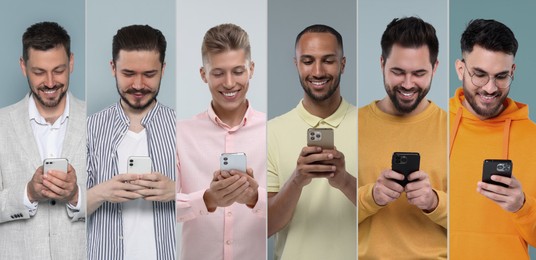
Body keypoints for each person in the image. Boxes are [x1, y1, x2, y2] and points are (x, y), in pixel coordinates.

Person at [358, 17, 447, 259]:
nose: (408, 84)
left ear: (435, 67)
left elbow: (474, 220)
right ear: (382, 64)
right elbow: (330, 217)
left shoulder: (453, 129)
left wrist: (433, 202)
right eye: (398, 72)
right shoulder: (350, 125)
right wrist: (371, 196)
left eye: (419, 73)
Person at [176, 23, 266, 260]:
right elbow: (161, 207)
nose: (229, 83)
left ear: (251, 70)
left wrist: (256, 198)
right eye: (218, 73)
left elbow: (290, 210)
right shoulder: (180, 134)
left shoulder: (274, 131)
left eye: (238, 71)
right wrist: (208, 199)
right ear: (203, 74)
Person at [267, 24, 357, 260]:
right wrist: (297, 180)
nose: (318, 71)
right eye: (307, 61)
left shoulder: (371, 126)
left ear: (343, 64)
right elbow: (265, 227)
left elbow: (386, 216)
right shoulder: (271, 132)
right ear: (296, 64)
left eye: (328, 60)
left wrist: (345, 182)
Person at [86, 24, 176, 260]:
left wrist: (176, 191)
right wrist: (102, 193)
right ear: (113, 68)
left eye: (149, 74)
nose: (138, 85)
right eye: (128, 74)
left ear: (163, 69)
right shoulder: (90, 129)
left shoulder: (183, 128)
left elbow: (209, 201)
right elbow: (68, 210)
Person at [450, 19, 536, 259]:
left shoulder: (533, 139)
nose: (490, 88)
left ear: (513, 72)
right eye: (479, 74)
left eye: (501, 76)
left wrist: (523, 207)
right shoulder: (431, 124)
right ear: (460, 69)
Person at [0, 21, 86, 259]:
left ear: (71, 62)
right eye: (39, 72)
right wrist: (27, 193)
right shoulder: (1, 124)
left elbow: (113, 203)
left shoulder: (97, 123)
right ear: (23, 67)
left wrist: (76, 195)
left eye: (58, 70)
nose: (49, 82)